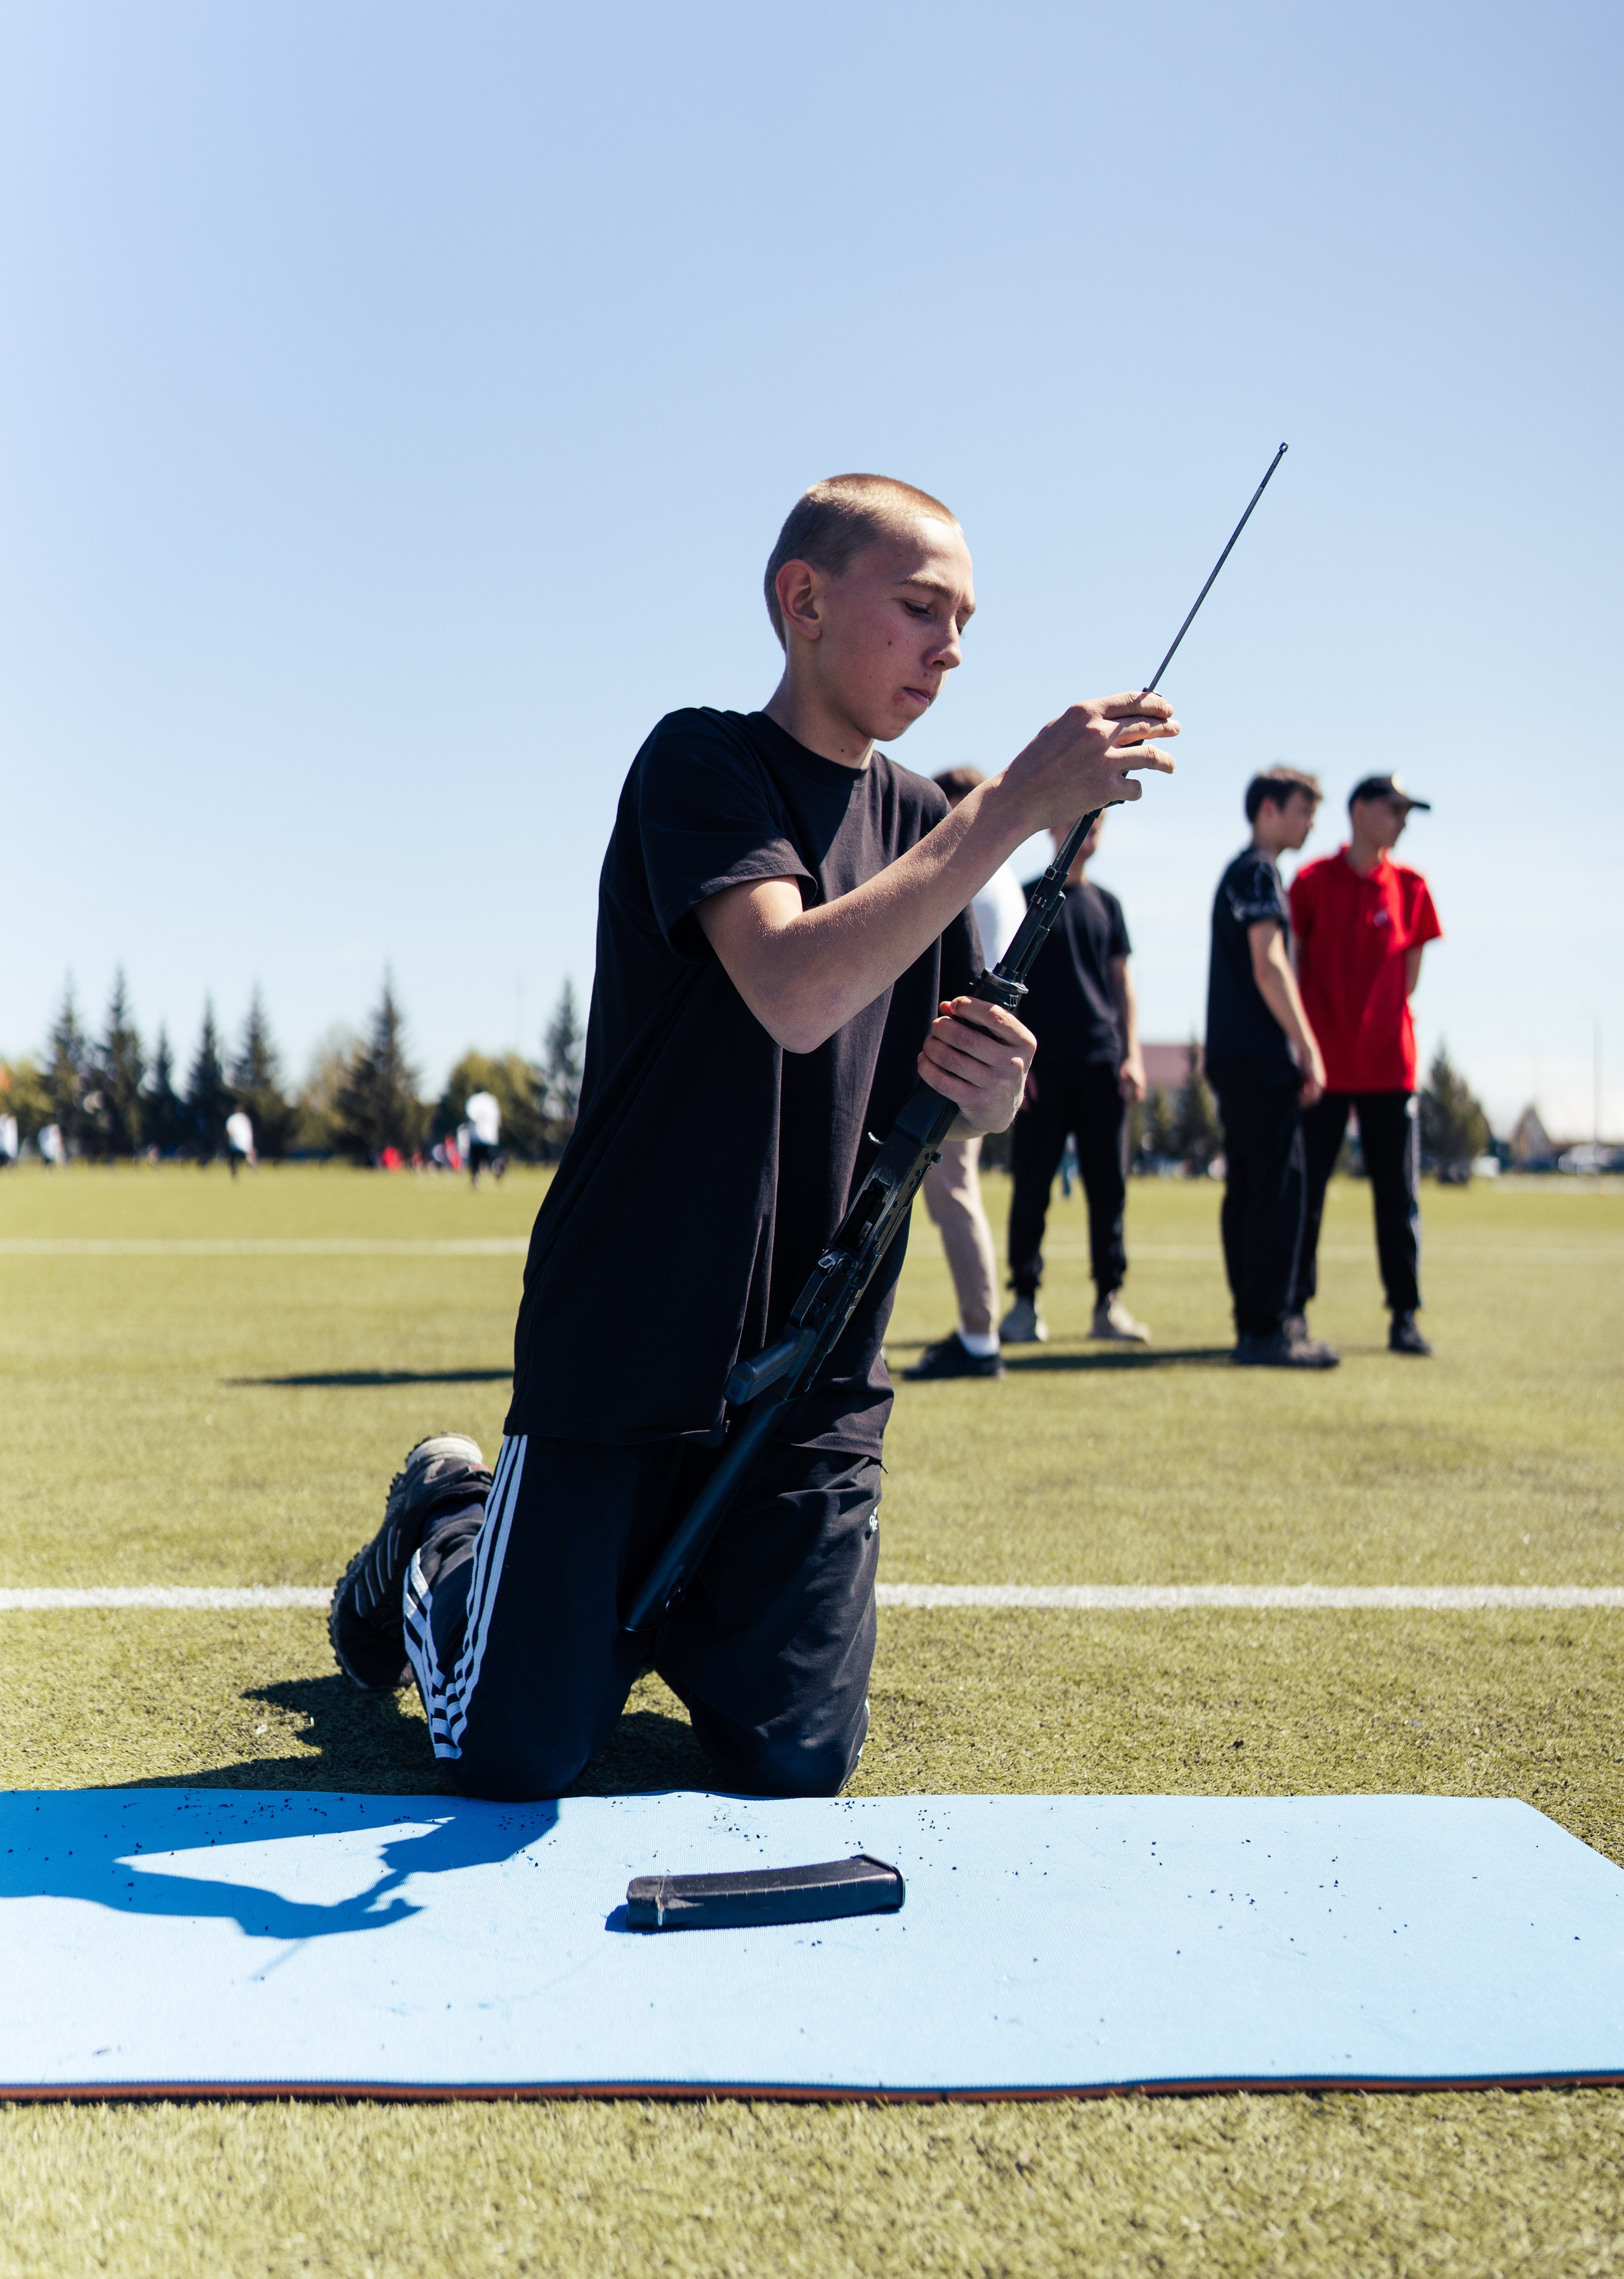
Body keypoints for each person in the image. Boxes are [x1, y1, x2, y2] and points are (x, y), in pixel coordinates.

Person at [329, 471, 1179, 1802]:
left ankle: (635, 1616)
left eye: (965, 619)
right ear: (801, 603)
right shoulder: (700, 761)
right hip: (630, 1342)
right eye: (919, 608)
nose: (950, 646)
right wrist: (1011, 802)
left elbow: (956, 1088)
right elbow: (793, 988)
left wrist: (991, 1083)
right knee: (511, 1757)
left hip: (812, 1374)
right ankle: (448, 1515)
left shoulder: (923, 823)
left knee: (793, 1766)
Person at [1288, 774, 1442, 1357]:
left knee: (1397, 1196)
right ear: (1359, 810)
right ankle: (1294, 1308)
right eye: (1394, 808)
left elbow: (1409, 979)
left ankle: (1404, 1316)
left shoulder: (1412, 887)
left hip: (1389, 1070)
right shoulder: (1309, 883)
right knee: (1307, 1194)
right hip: (1322, 1071)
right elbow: (1293, 962)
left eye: (1408, 812)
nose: (1402, 820)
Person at [1203, 768, 1339, 1369]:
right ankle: (1268, 1328)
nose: (1310, 823)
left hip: (1235, 1059)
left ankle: (1254, 1322)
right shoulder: (1259, 872)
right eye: (1302, 810)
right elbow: (1270, 965)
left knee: (1251, 1190)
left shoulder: (1242, 872)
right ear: (1267, 808)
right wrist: (1307, 1045)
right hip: (1260, 1059)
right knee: (1277, 1192)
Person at [1000, 815, 1150, 1344]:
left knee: (1109, 1189)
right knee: (1032, 1188)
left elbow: (1122, 985)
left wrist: (1131, 1054)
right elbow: (1007, 984)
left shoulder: (1108, 905)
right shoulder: (1026, 899)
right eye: (1077, 820)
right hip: (1041, 1071)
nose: (1088, 831)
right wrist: (1015, 1063)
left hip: (1102, 1065)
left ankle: (1108, 1304)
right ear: (1053, 827)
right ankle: (1023, 1304)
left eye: (1097, 822)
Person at [903, 765, 1027, 1383]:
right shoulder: (999, 877)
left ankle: (980, 1339)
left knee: (954, 1196)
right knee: (952, 1197)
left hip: (952, 1062)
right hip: (963, 1060)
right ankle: (978, 1334)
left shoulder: (972, 877)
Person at [464, 1087, 504, 1184]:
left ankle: (475, 1177)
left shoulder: (473, 1100)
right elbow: (497, 1117)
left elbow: (470, 1115)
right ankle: (496, 1168)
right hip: (491, 1136)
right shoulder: (491, 1100)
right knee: (491, 1157)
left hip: (476, 1136)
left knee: (476, 1160)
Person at [224, 1108, 257, 1176]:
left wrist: (227, 1139)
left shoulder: (232, 1118)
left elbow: (229, 1130)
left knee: (234, 1157)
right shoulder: (246, 1118)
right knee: (249, 1155)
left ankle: (234, 1171)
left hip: (235, 1141)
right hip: (245, 1141)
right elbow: (249, 1129)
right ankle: (253, 1168)